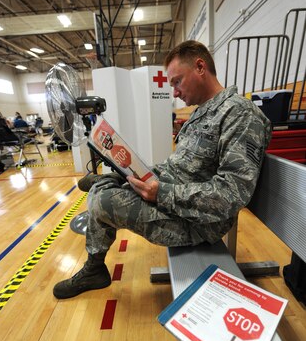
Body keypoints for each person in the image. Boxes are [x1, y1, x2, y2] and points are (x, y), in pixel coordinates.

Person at [53, 40, 271, 299]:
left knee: (102, 200)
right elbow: (178, 165)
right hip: (176, 200)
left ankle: (94, 270)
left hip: (198, 222)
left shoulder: (241, 116)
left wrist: (161, 193)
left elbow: (230, 196)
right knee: (104, 183)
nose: (175, 93)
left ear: (200, 67)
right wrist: (131, 172)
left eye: (177, 82)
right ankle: (95, 266)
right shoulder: (203, 113)